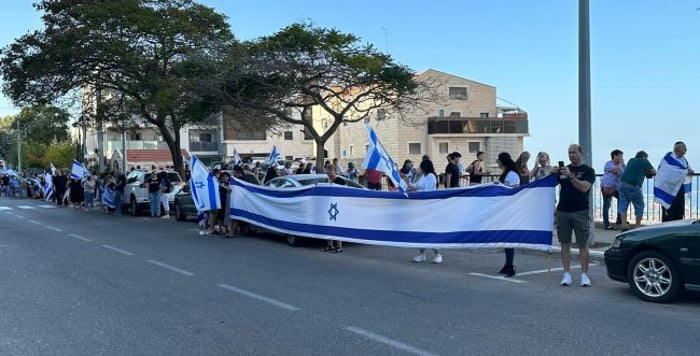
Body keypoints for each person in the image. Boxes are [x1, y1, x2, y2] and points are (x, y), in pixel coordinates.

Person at [554, 144, 595, 287]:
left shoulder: (588, 171)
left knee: (582, 244)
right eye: (569, 153)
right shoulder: (563, 170)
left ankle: (584, 275)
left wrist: (570, 176)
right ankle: (566, 274)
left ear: (581, 153)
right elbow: (550, 184)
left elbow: (584, 188)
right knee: (565, 243)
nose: (572, 155)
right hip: (563, 211)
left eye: (574, 152)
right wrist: (552, 173)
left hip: (580, 211)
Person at [403, 159, 443, 264]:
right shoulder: (423, 177)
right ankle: (422, 254)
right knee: (421, 231)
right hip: (421, 208)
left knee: (431, 230)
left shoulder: (431, 177)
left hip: (430, 208)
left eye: (420, 167)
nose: (418, 169)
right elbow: (413, 187)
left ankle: (437, 254)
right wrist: (407, 181)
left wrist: (416, 192)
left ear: (425, 168)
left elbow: (427, 193)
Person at [496, 152, 520, 277]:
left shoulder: (512, 174)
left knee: (509, 238)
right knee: (506, 238)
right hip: (505, 209)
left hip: (510, 210)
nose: (497, 163)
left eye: (498, 161)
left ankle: (510, 264)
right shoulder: (506, 174)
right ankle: (507, 263)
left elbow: (514, 191)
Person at [617, 151, 655, 231]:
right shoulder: (644, 160)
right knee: (639, 205)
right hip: (633, 186)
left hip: (622, 184)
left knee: (623, 205)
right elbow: (653, 171)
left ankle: (624, 226)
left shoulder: (631, 160)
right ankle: (637, 226)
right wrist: (649, 172)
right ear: (644, 156)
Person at [321, 164, 346, 253]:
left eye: (331, 170)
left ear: (335, 171)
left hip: (337, 206)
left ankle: (339, 246)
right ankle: (330, 245)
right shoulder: (325, 181)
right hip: (328, 206)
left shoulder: (340, 181)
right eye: (328, 171)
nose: (329, 172)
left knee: (337, 226)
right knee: (328, 226)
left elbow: (344, 192)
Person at [600, 149, 625, 230]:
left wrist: (622, 165)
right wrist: (621, 164)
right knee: (607, 204)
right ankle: (606, 224)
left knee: (622, 199)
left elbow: (624, 173)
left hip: (616, 187)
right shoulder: (608, 164)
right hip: (607, 187)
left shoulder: (621, 165)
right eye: (620, 155)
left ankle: (619, 218)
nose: (621, 157)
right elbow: (615, 171)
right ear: (615, 156)